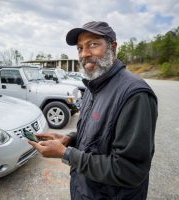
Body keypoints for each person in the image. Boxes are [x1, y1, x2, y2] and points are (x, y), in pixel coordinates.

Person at [29, 21, 158, 200]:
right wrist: (69, 139)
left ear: (113, 47)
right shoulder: (92, 86)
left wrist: (66, 154)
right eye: (80, 48)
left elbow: (130, 170)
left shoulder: (134, 94)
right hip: (85, 191)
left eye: (93, 44)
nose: (85, 54)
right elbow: (98, 132)